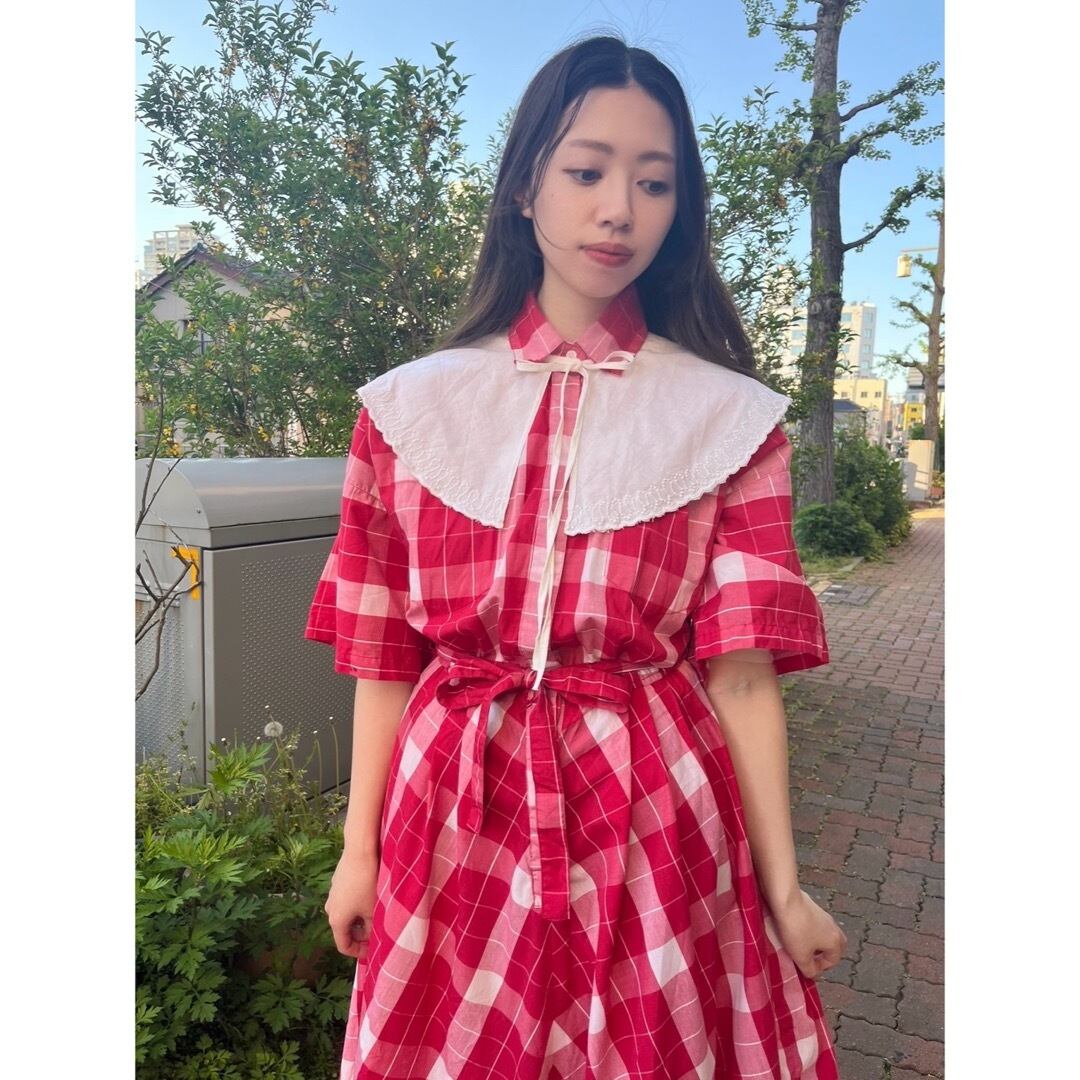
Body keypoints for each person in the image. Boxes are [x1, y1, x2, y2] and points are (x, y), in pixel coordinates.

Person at [306, 34, 846, 1080]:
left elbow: (741, 679)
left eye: (655, 183)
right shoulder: (411, 411)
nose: (619, 210)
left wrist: (783, 887)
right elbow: (384, 662)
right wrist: (357, 851)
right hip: (452, 812)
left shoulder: (727, 419)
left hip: (653, 813)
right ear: (524, 187)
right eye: (587, 171)